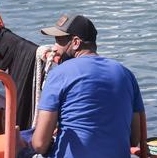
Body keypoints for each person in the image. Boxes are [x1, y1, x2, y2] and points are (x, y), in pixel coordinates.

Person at [29, 14, 145, 158]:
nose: (54, 48)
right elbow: (134, 138)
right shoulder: (126, 74)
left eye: (59, 41)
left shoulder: (59, 74)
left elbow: (40, 144)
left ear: (76, 42)